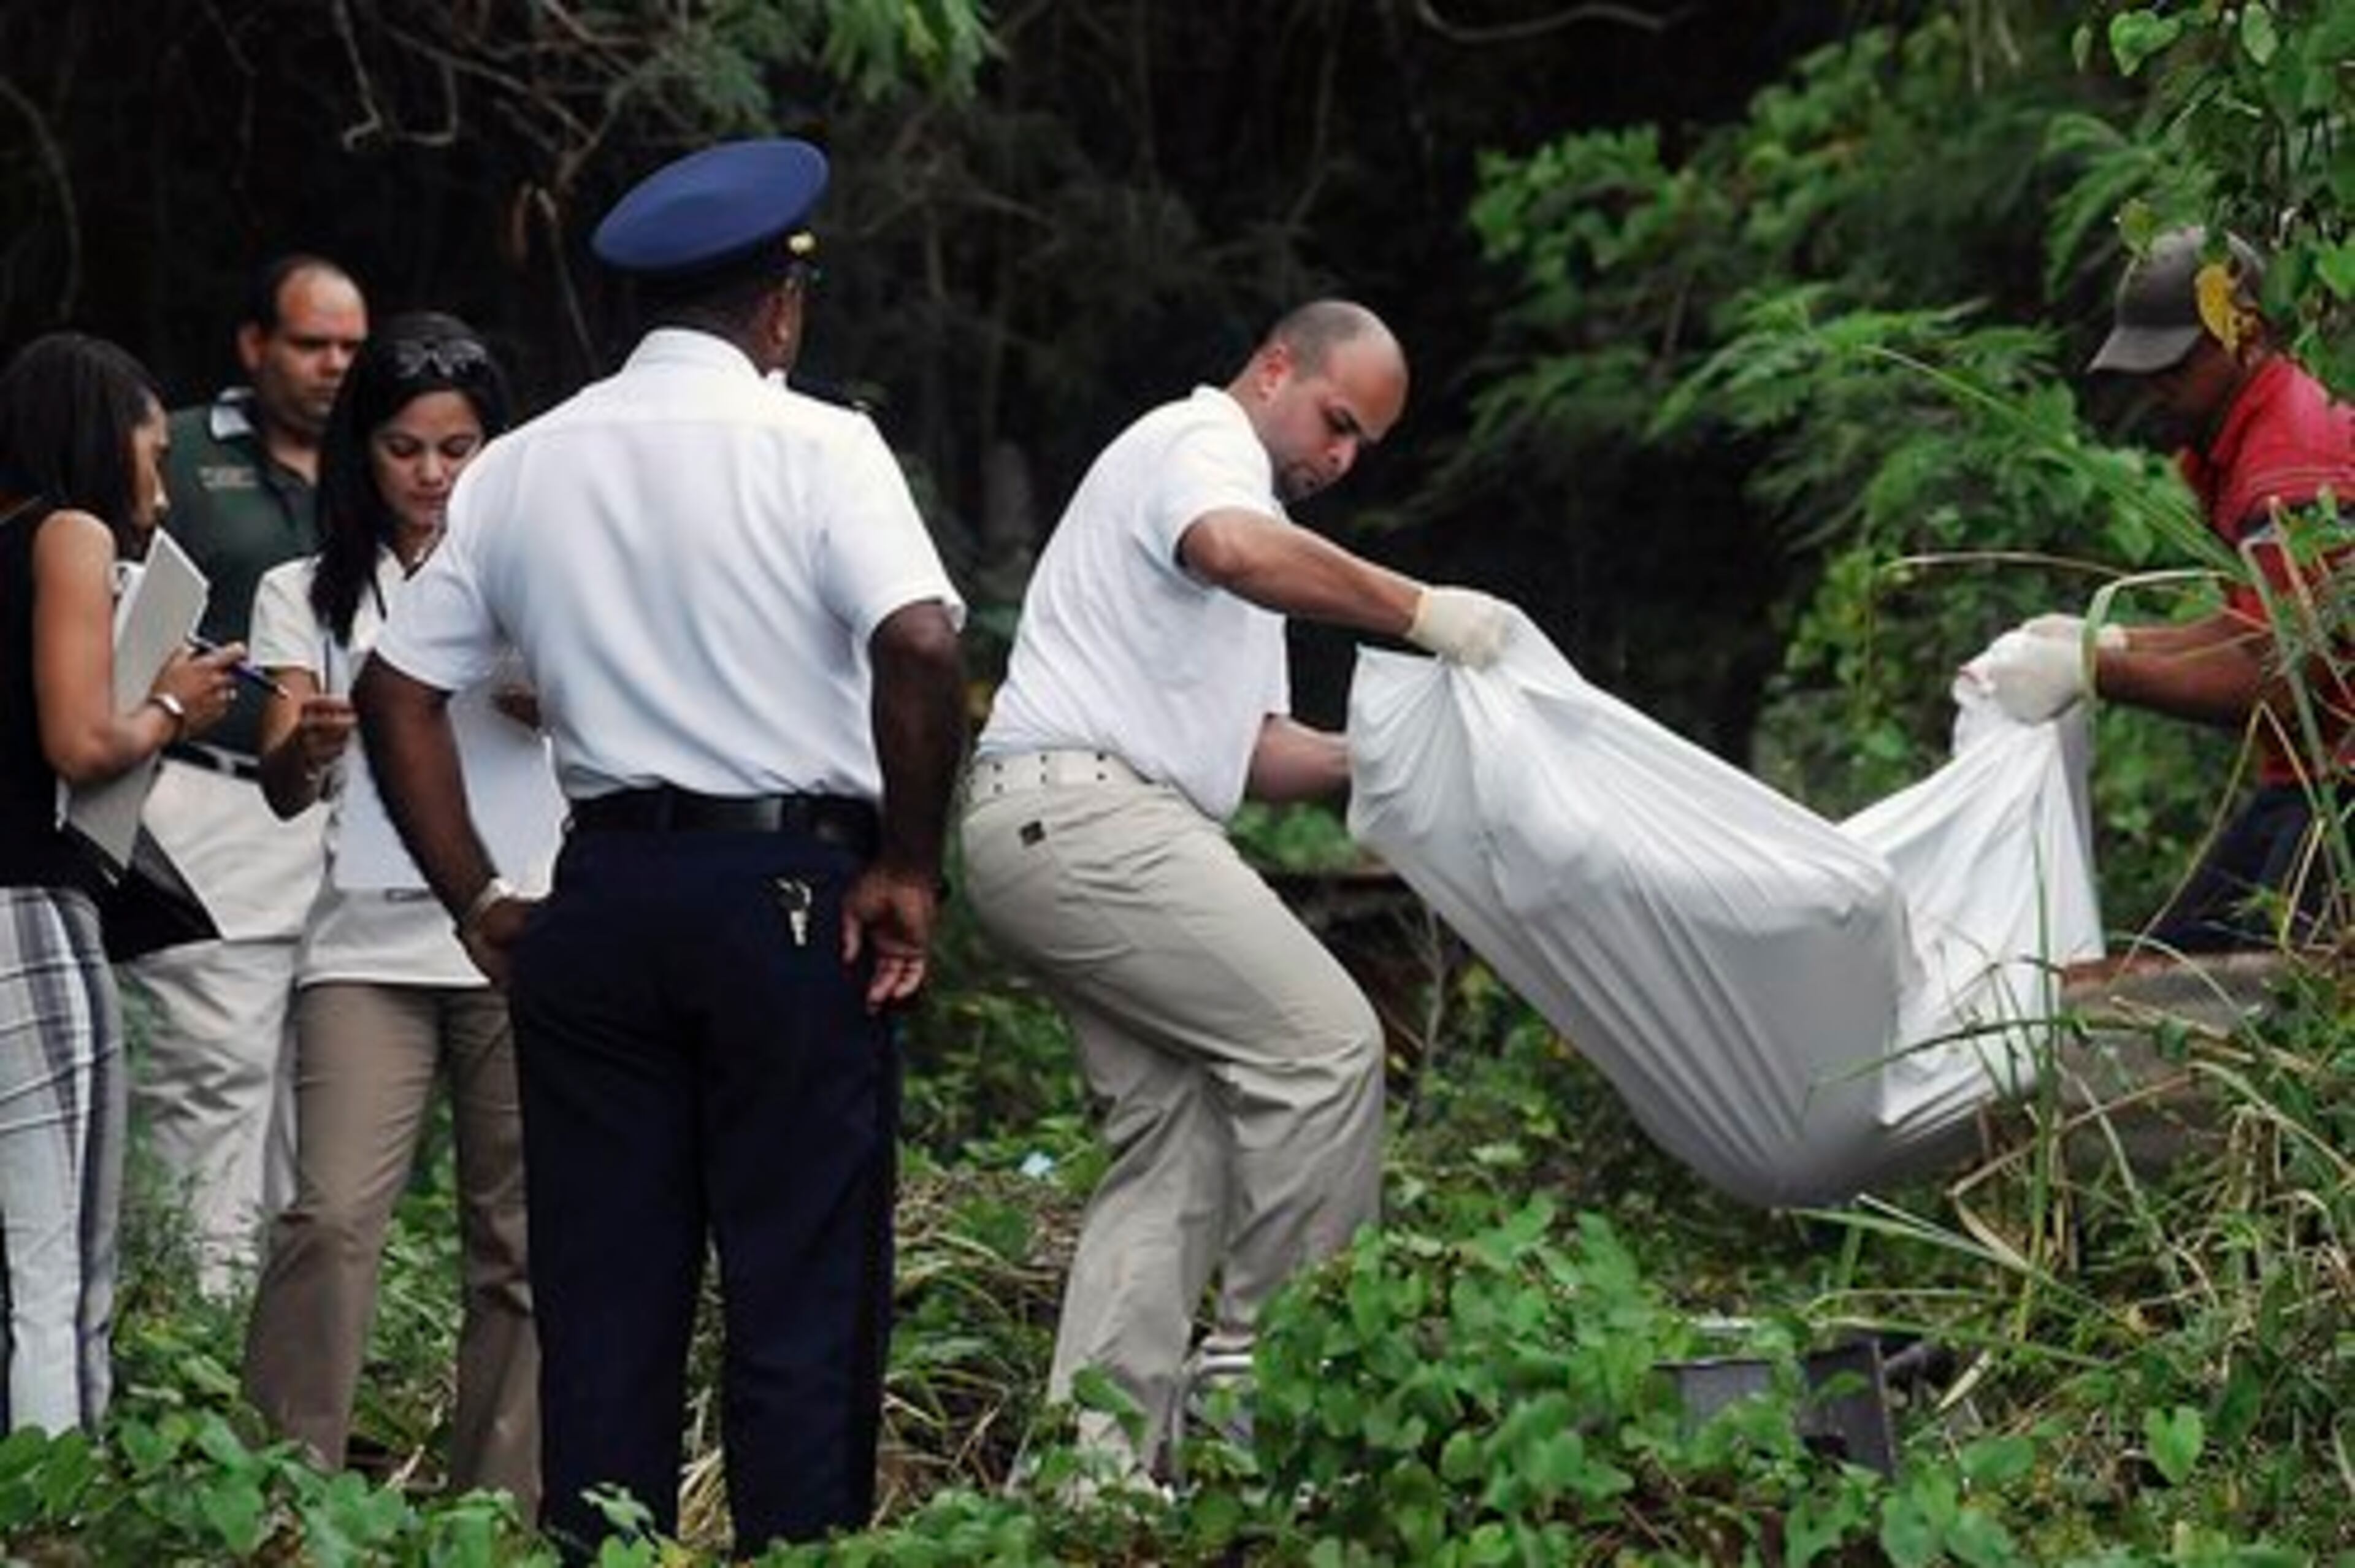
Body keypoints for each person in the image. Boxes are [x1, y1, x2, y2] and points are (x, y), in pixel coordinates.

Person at [351, 139, 967, 1557]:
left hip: (603, 893)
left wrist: (475, 898)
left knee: (605, 1293)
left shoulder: (523, 468)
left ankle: (603, 1547)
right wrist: (909, 868)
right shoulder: (817, 444)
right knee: (797, 1281)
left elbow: (396, 691)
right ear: (780, 310)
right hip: (786, 898)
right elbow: (922, 640)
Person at [958, 299, 1513, 1480]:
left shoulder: (1247, 519)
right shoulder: (1197, 445)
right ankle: (1269, 1397)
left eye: (1364, 446)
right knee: (1325, 1048)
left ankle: (1083, 1481)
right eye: (1337, 421)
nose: (1342, 459)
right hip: (1092, 815)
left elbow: (1255, 751)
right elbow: (1231, 550)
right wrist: (1421, 609)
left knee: (1180, 1140)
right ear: (1273, 369)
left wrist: (1400, 756)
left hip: (1073, 821)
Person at [240, 313, 555, 1510]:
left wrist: (556, 702)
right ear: (361, 454)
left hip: (522, 933)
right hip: (364, 938)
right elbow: (280, 785)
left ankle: (498, 1509)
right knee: (327, 1215)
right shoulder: (303, 591)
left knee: (521, 1241)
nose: (431, 476)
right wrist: (309, 743)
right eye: (406, 449)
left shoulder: (543, 578)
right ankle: (278, 1493)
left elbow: (622, 733)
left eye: (459, 448)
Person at [1972, 226, 2355, 951]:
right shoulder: (2243, 440)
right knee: (2173, 966)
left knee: (2255, 996)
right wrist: (2107, 639)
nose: (2156, 387)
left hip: (2340, 784)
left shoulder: (2288, 471)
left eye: (2174, 366)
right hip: (2308, 773)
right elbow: (2248, 628)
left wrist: (2095, 671)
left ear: (2244, 337)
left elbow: (2280, 677)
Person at [0, 332, 244, 1431]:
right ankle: (56, 1515)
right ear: (105, 443)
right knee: (60, 1269)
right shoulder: (71, 533)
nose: (161, 480)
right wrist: (172, 711)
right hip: (27, 912)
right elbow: (80, 742)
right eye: (153, 452)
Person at [121, 255, 370, 1291]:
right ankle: (190, 1306)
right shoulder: (179, 448)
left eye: (352, 348)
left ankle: (282, 1334)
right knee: (210, 1064)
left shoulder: (384, 457)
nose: (333, 367)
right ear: (255, 345)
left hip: (354, 805)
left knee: (320, 1079)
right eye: (312, 344)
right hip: (209, 788)